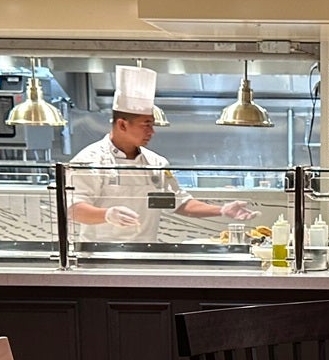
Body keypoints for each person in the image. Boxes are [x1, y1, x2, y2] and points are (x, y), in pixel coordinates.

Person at [67, 65, 257, 241]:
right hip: (99, 256)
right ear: (122, 124)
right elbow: (72, 209)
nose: (152, 131)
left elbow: (179, 203)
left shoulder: (156, 163)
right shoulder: (90, 161)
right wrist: (106, 215)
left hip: (146, 253)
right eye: (146, 125)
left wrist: (223, 210)